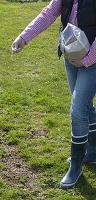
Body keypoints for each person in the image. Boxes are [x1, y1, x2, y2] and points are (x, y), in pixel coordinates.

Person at [11, 0, 96, 189]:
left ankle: (75, 165)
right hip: (71, 54)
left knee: (78, 109)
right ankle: (93, 151)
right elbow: (48, 14)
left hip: (93, 60)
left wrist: (88, 59)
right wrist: (23, 37)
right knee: (85, 106)